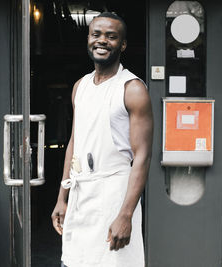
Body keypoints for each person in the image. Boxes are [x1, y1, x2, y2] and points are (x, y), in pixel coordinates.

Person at [51, 12, 153, 267]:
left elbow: (142, 156)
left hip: (113, 196)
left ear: (123, 44)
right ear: (88, 38)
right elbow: (75, 142)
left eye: (111, 36)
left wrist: (126, 215)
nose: (102, 41)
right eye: (96, 34)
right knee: (74, 262)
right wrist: (62, 198)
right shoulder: (80, 86)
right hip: (80, 193)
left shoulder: (132, 88)